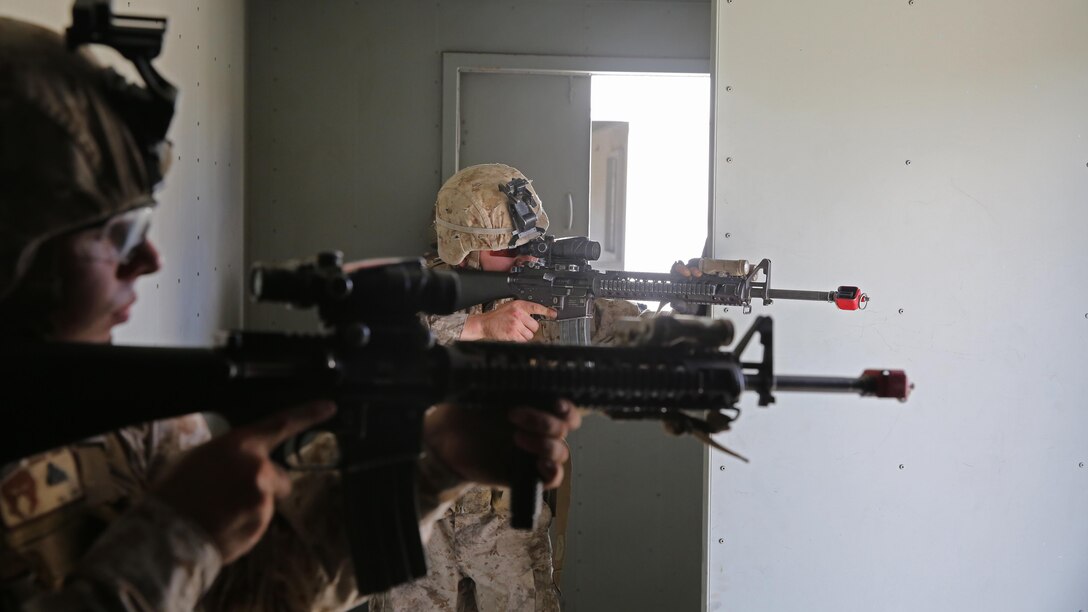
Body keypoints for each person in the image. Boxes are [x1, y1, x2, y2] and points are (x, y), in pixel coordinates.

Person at [0, 16, 579, 611]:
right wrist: (177, 536)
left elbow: (252, 593)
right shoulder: (433, 285)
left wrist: (438, 461)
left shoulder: (135, 422)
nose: (149, 259)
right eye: (117, 234)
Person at [373, 163, 653, 612]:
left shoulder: (548, 287)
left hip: (505, 522)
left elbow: (634, 331)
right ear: (463, 246)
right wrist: (479, 325)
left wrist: (687, 302)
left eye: (525, 243)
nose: (522, 256)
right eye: (506, 248)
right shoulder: (414, 286)